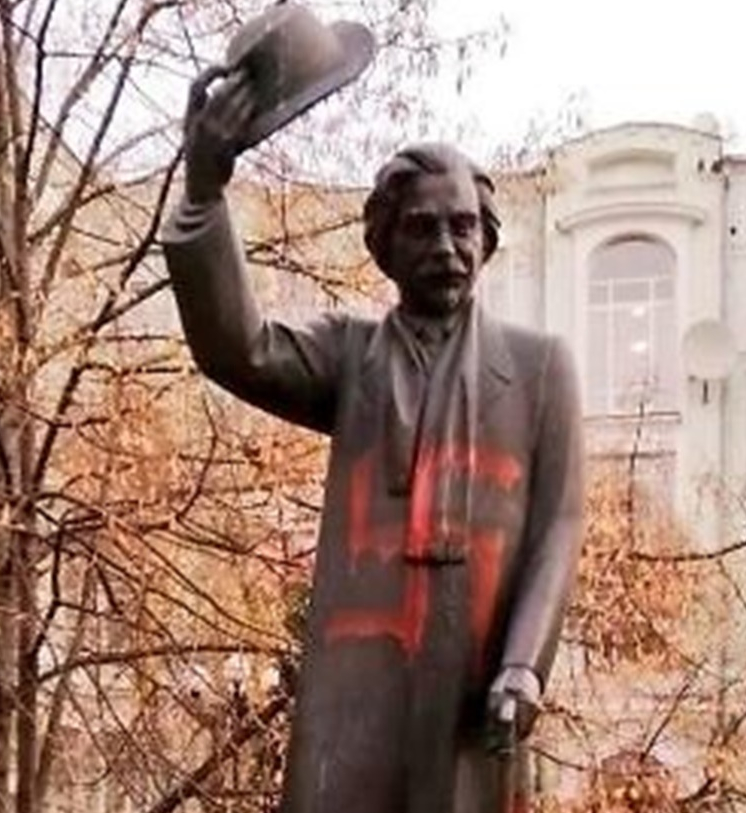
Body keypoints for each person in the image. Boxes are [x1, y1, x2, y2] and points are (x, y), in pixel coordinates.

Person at [160, 67, 585, 813]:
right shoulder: (350, 357)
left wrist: (524, 665)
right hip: (358, 671)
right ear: (385, 244)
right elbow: (238, 349)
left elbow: (558, 526)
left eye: (462, 226)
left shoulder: (539, 368)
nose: (447, 246)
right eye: (422, 227)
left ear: (486, 238)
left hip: (478, 673)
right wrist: (204, 192)